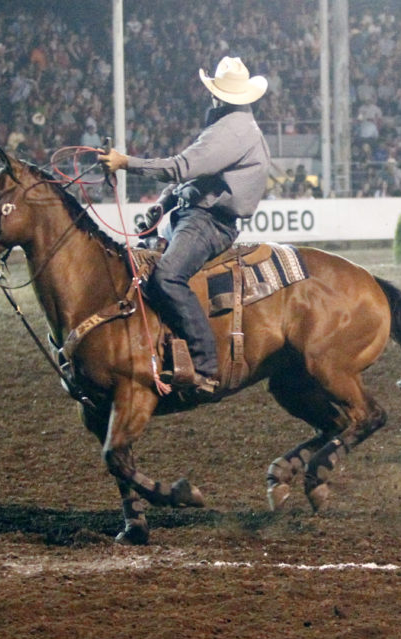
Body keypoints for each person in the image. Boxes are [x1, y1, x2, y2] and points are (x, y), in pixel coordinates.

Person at [98, 56, 271, 394]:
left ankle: (205, 366)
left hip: (209, 221)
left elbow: (180, 168)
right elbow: (192, 176)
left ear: (217, 94)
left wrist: (125, 162)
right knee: (142, 267)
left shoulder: (231, 131)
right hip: (196, 214)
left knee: (166, 276)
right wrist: (163, 204)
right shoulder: (232, 127)